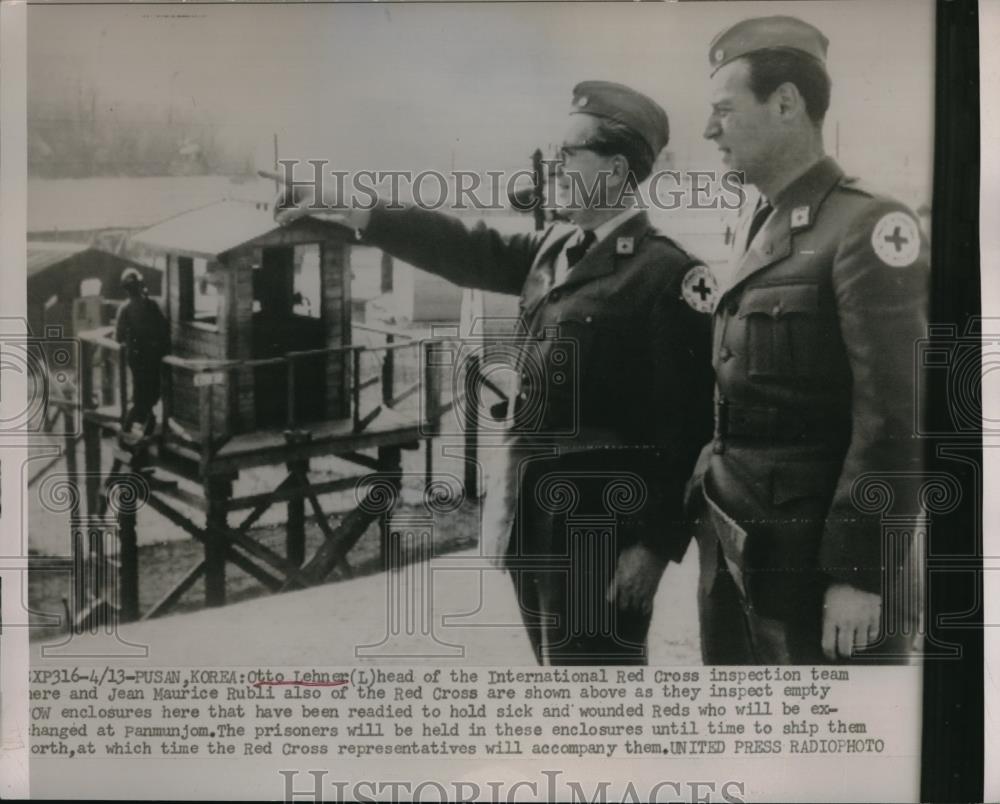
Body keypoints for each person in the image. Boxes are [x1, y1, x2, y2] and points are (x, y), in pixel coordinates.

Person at [275, 81, 715, 665]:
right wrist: (354, 206)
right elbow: (461, 248)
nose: (554, 165)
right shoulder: (557, 247)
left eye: (569, 153)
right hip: (533, 526)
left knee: (598, 707)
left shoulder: (666, 274)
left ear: (613, 169)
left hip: (599, 537)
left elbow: (684, 429)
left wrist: (653, 550)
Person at [691, 16, 929, 663]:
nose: (710, 129)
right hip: (741, 548)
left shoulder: (867, 225)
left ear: (787, 103)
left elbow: (897, 415)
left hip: (817, 572)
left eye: (724, 110)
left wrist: (859, 574)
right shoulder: (763, 222)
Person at [115, 268, 170, 437]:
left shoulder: (125, 309)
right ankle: (136, 429)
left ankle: (139, 427)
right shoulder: (151, 304)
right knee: (150, 393)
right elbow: (164, 328)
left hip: (137, 357)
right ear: (140, 286)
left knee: (141, 393)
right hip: (152, 356)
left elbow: (119, 336)